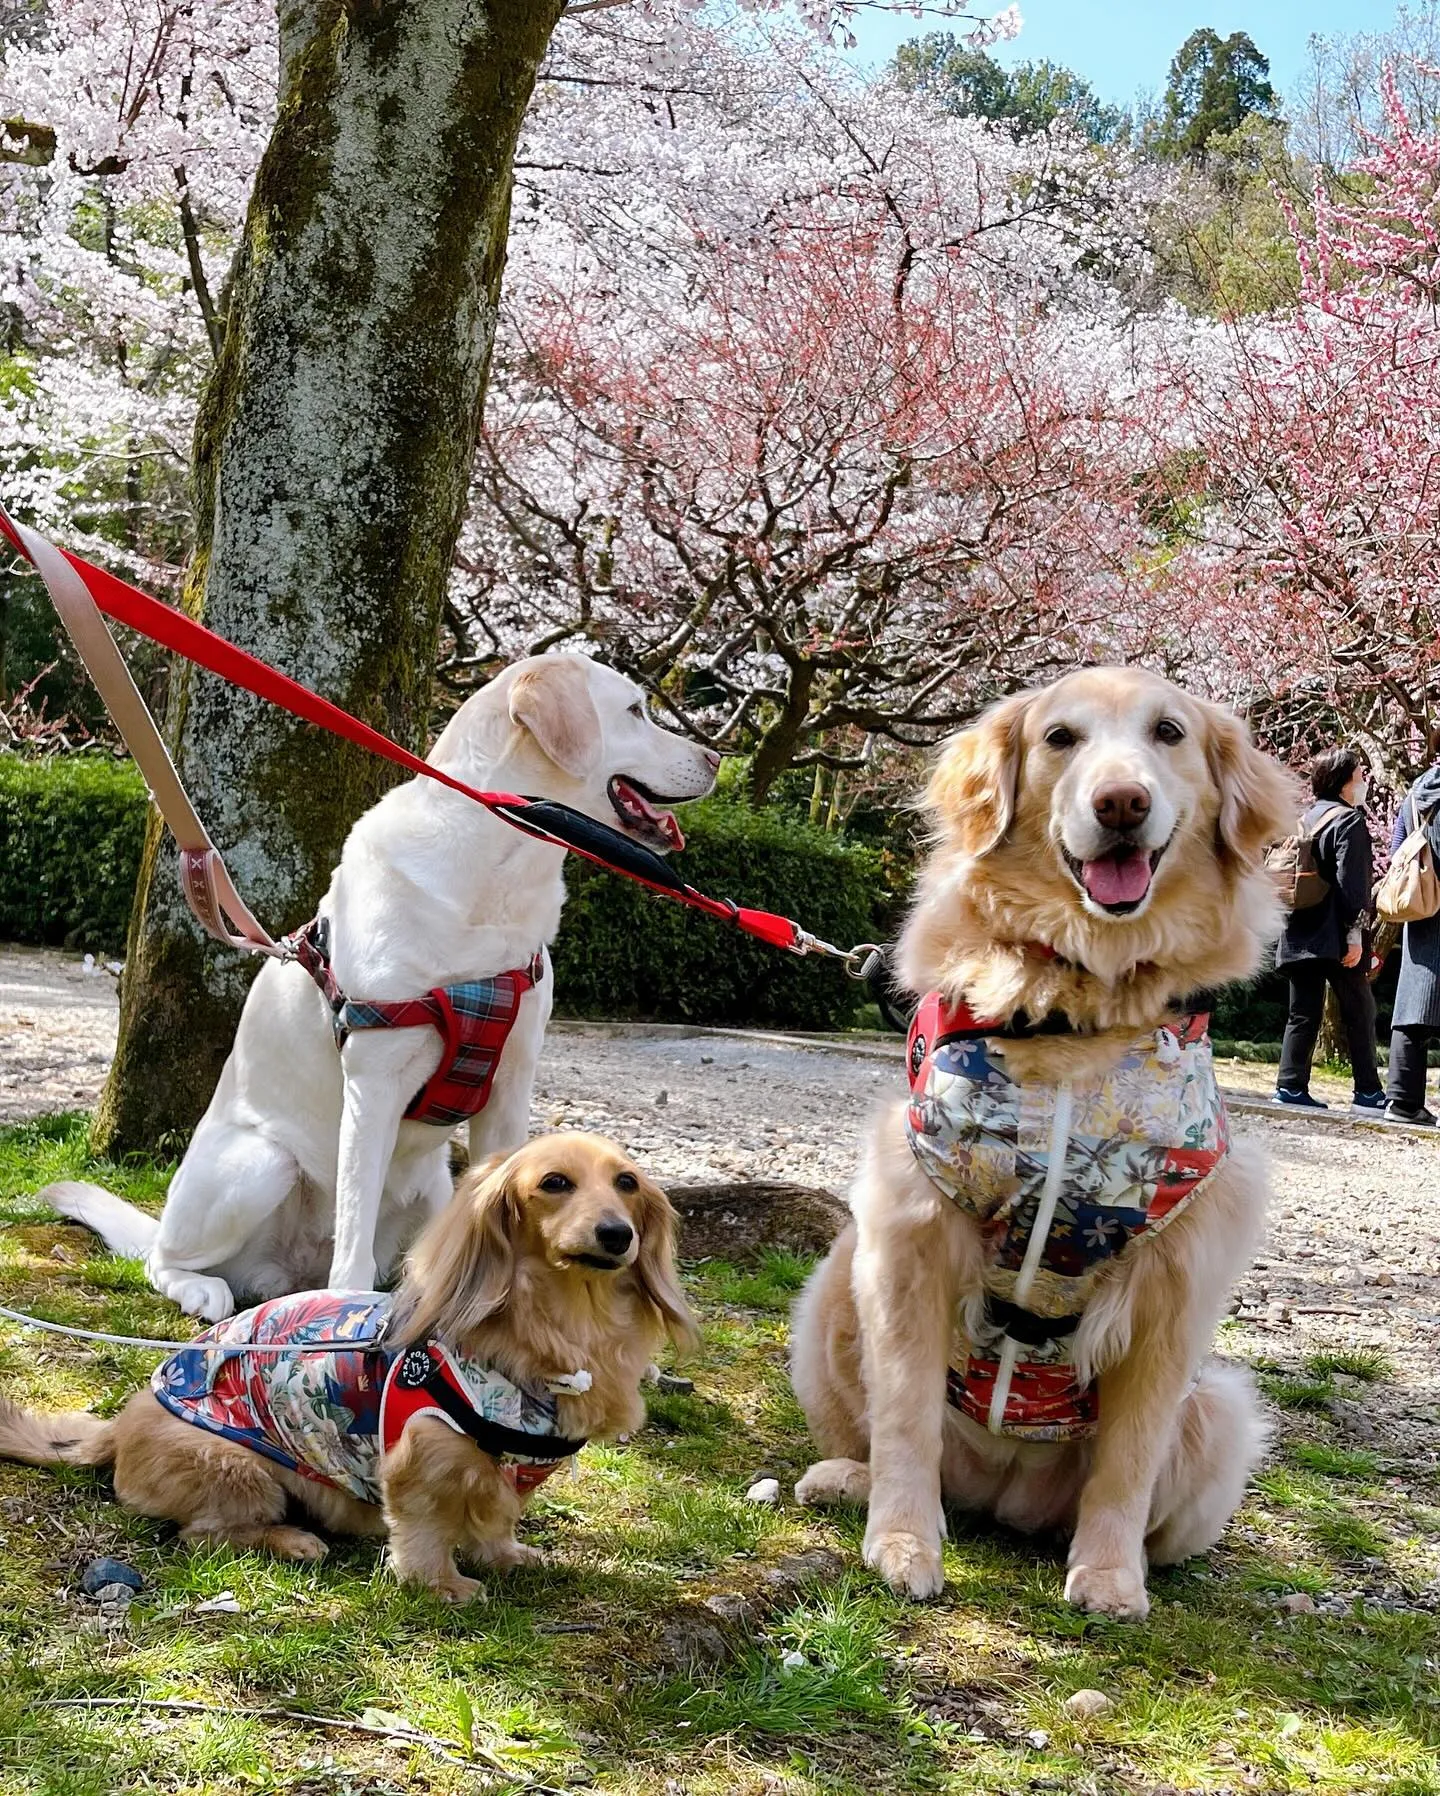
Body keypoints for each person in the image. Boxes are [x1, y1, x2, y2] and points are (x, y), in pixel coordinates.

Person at [1274, 746, 1383, 1114]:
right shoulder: (1348, 821)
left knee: (1302, 1013)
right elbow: (1352, 884)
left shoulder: (1305, 820)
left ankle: (1290, 1087)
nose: (1364, 783)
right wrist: (1356, 934)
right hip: (1335, 935)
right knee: (1360, 1010)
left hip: (1297, 931)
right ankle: (1368, 1093)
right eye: (1359, 777)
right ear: (1342, 783)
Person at [1385, 731, 1440, 1126]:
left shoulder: (1416, 792)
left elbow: (1398, 849)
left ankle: (1402, 1101)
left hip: (1423, 911)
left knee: (1414, 1005)